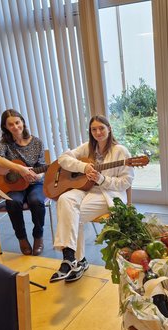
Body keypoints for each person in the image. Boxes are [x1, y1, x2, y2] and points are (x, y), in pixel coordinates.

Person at [50, 115, 134, 283]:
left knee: (74, 216)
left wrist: (101, 179)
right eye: (94, 129)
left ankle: (76, 261)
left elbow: (126, 182)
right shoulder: (87, 147)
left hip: (106, 193)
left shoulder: (121, 151)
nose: (98, 132)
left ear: (109, 128)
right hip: (84, 188)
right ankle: (72, 259)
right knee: (65, 199)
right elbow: (63, 158)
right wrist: (83, 167)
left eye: (101, 128)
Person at [0, 109, 47, 256]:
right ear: (5, 127)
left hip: (34, 183)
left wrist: (38, 176)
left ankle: (38, 236)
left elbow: (42, 166)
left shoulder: (37, 142)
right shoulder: (5, 143)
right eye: (11, 125)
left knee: (36, 201)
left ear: (22, 121)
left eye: (17, 122)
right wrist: (20, 169)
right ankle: (22, 238)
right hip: (15, 184)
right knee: (13, 202)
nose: (15, 127)